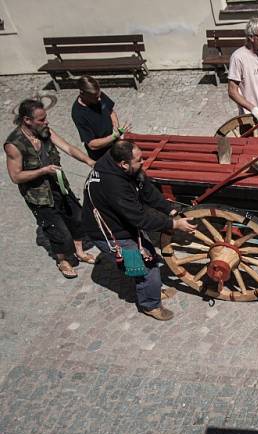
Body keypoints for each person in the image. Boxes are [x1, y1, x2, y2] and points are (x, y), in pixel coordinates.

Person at [83, 140, 197, 321]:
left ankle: (151, 291)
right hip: (110, 233)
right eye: (139, 160)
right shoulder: (114, 185)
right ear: (124, 164)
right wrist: (173, 225)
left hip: (122, 222)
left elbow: (146, 190)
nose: (143, 162)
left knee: (148, 255)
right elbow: (139, 217)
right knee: (144, 268)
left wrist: (170, 211)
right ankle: (150, 305)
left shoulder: (122, 165)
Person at [4, 99, 97, 279]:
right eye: (41, 119)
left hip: (59, 185)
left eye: (45, 117)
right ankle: (63, 260)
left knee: (77, 218)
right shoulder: (14, 145)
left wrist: (88, 161)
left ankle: (79, 251)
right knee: (58, 232)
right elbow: (16, 177)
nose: (46, 122)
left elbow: (68, 148)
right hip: (39, 196)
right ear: (27, 120)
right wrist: (43, 170)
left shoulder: (45, 131)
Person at [71, 76, 131, 161]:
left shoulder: (97, 95)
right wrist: (114, 136)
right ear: (82, 93)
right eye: (95, 97)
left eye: (99, 95)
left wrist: (115, 125)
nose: (99, 99)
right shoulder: (78, 113)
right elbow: (92, 144)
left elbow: (110, 111)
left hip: (115, 144)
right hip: (102, 154)